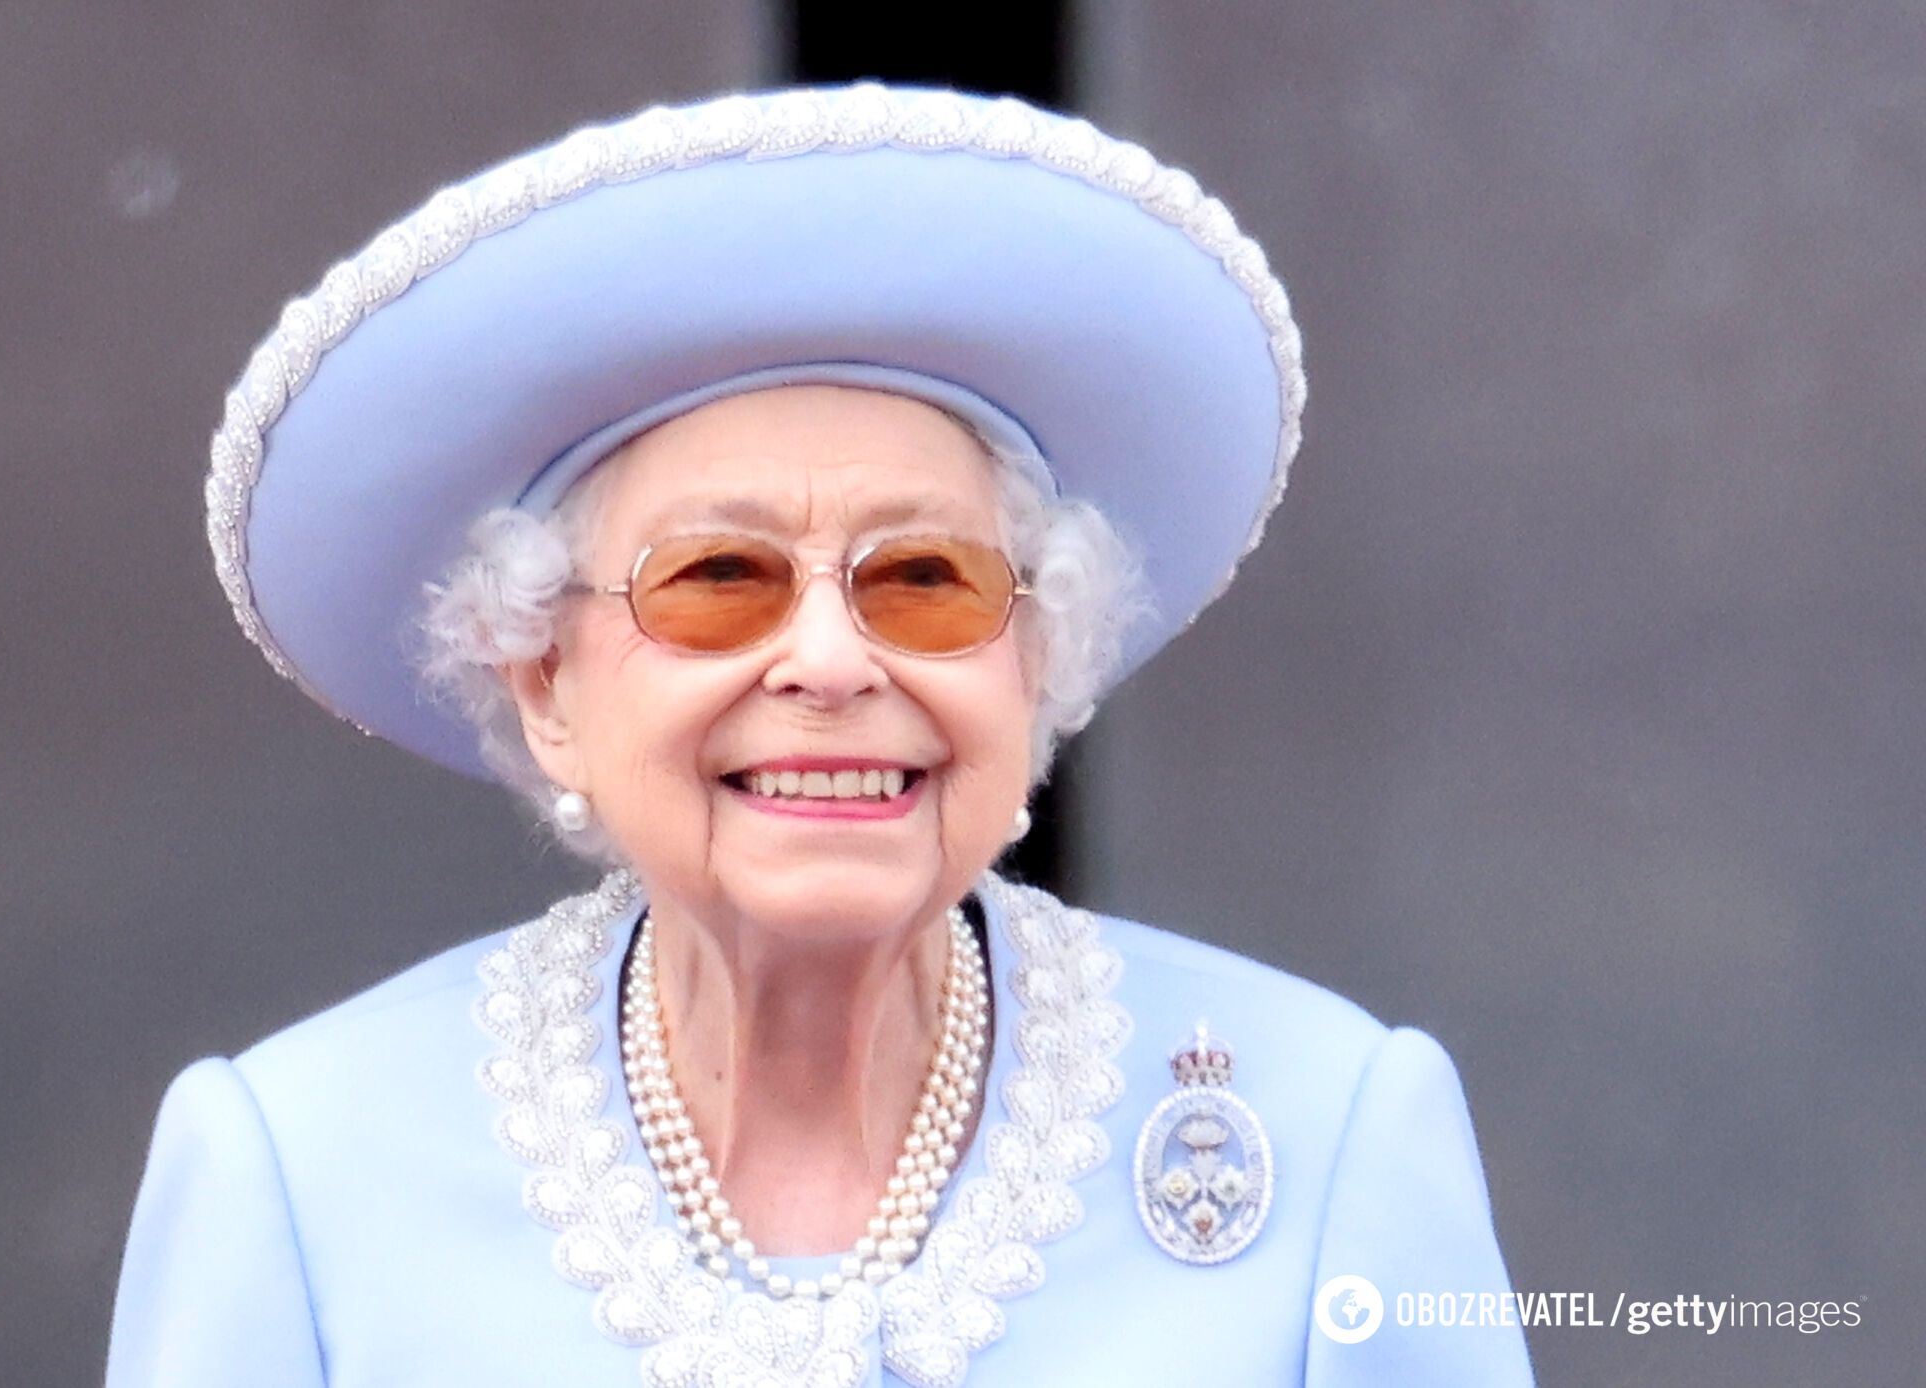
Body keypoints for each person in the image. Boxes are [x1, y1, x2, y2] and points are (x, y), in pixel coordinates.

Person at [110, 84, 1534, 1385]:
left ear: (1035, 664)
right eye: (716, 582)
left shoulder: (1328, 1126)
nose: (832, 663)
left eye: (926, 581)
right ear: (546, 683)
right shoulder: (298, 1169)